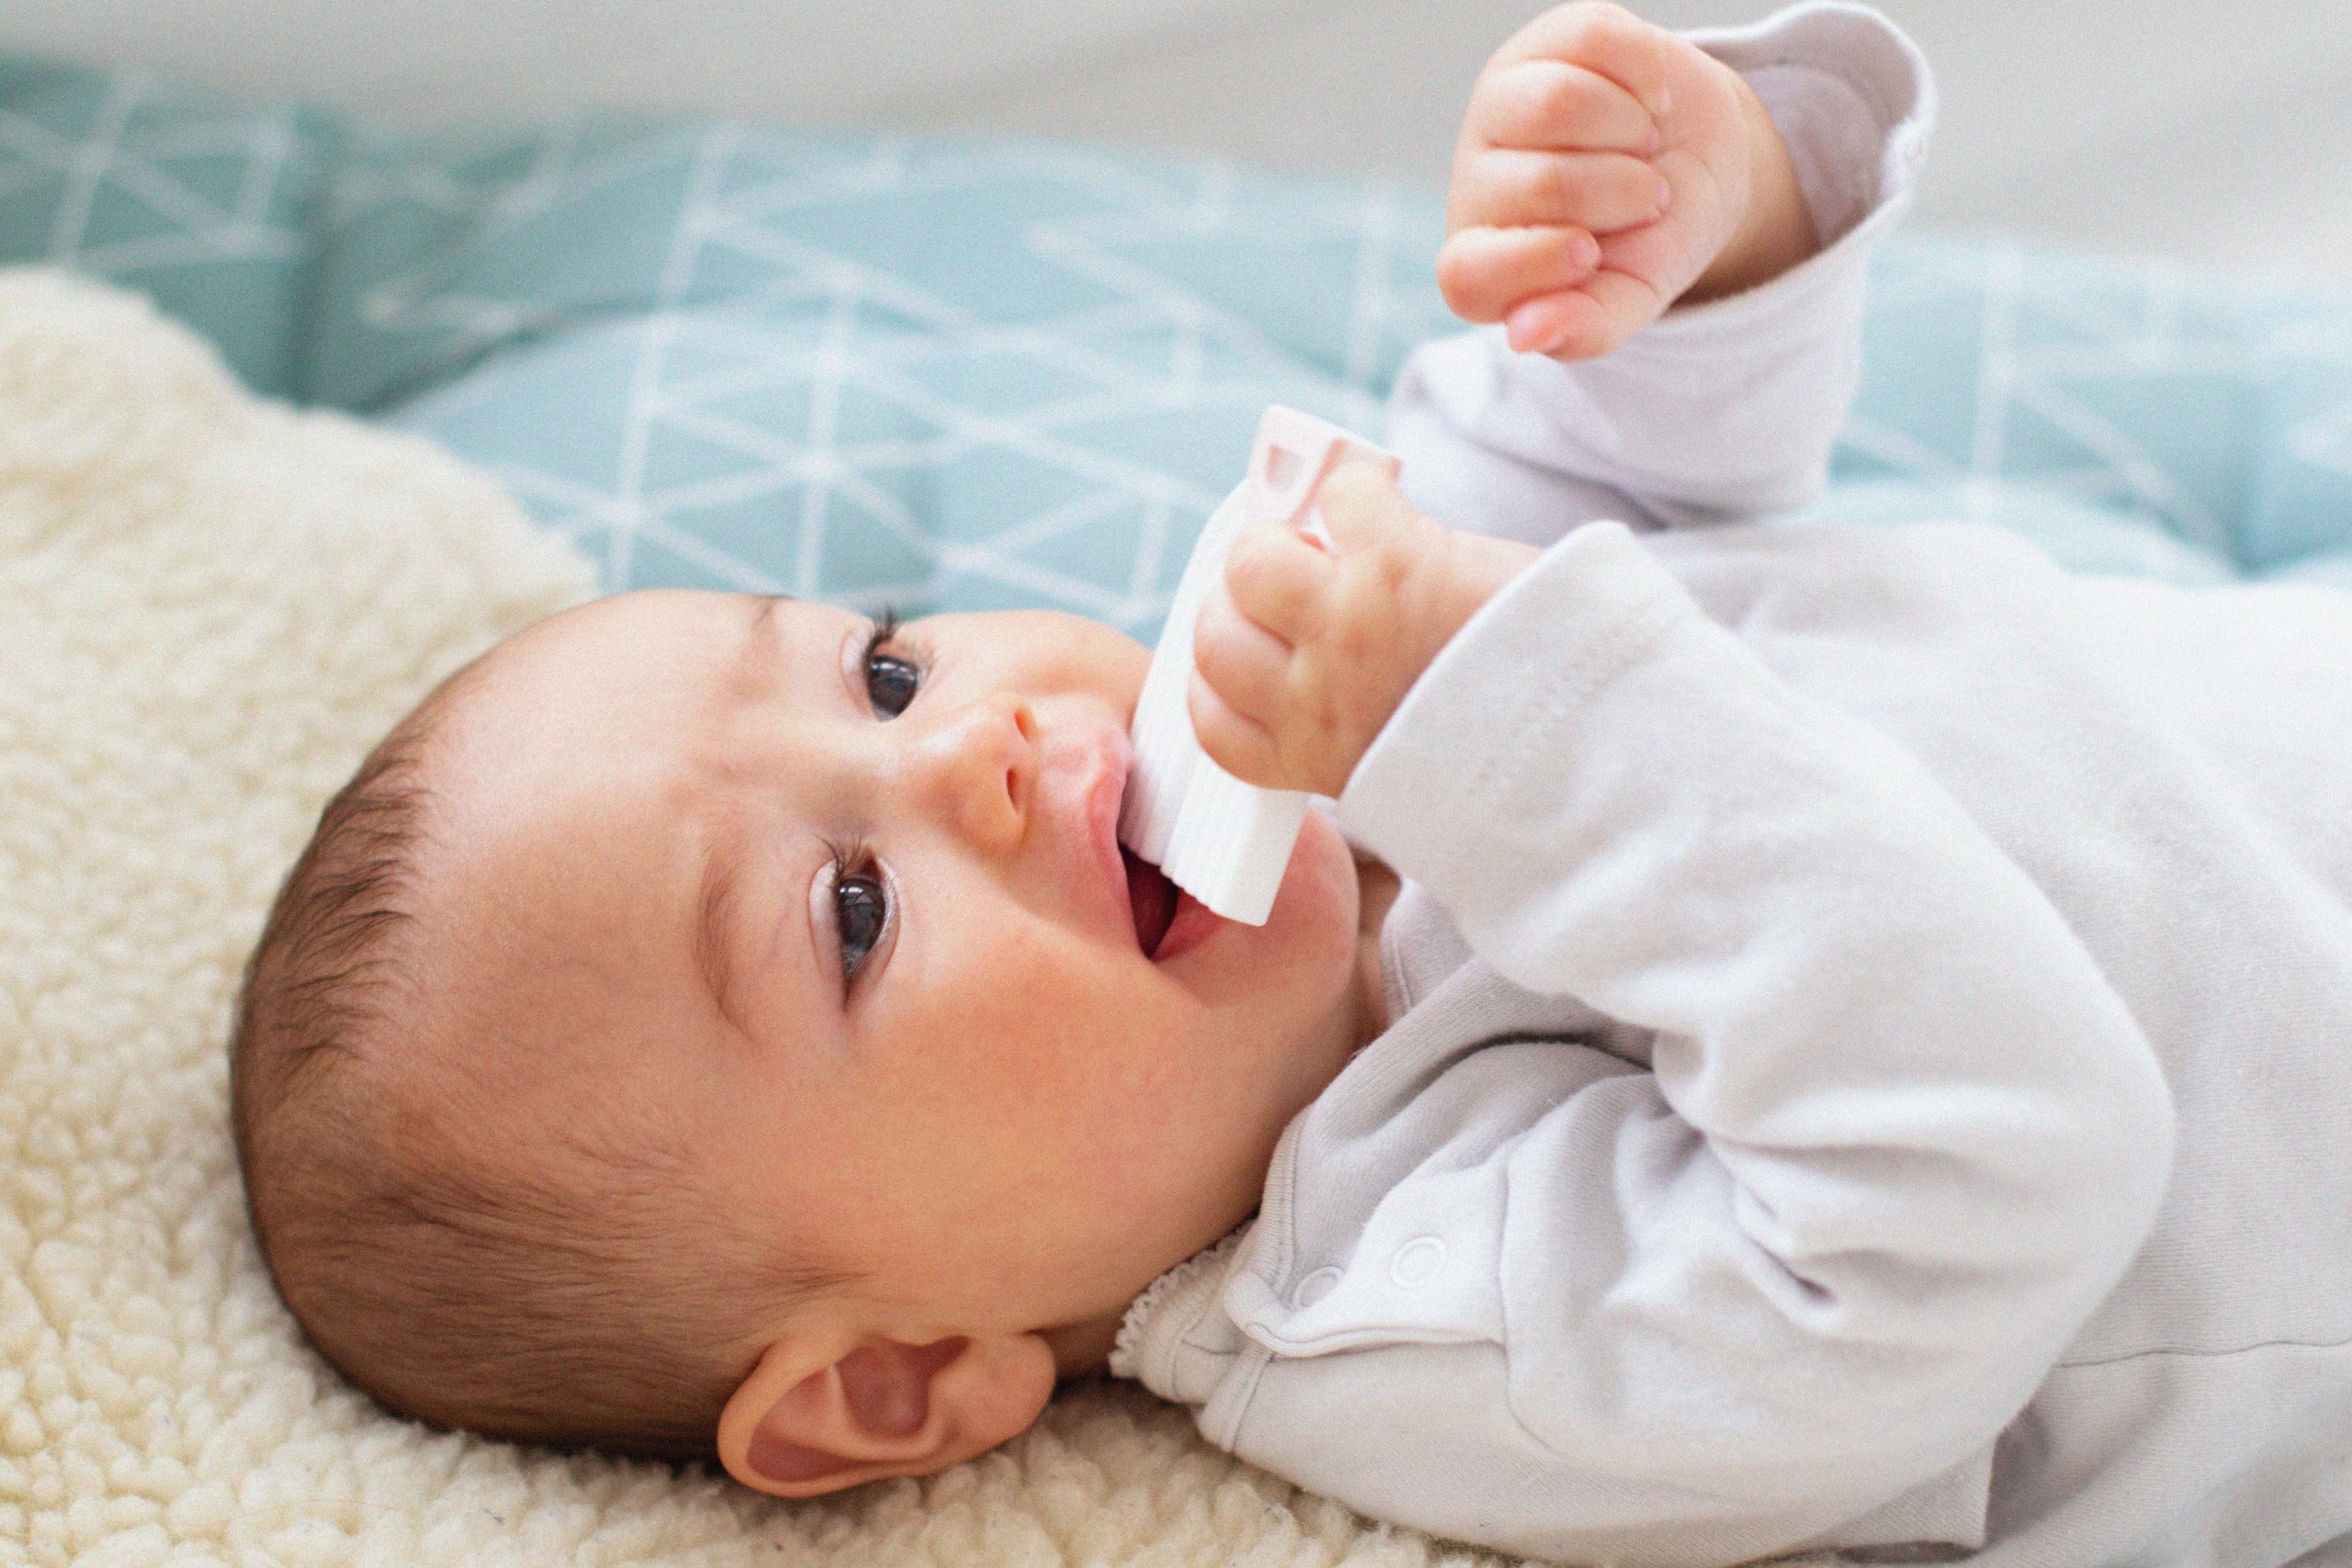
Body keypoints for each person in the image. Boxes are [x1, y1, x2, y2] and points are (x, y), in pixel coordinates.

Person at [230, 4, 2352, 1563]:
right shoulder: (1424, 1311)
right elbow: (2003, 1158)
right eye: (849, 910)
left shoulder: (1348, 709)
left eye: (882, 665)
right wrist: (1502, 714)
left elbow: (1618, 453)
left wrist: (1683, 222)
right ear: (896, 1374)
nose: (970, 746)